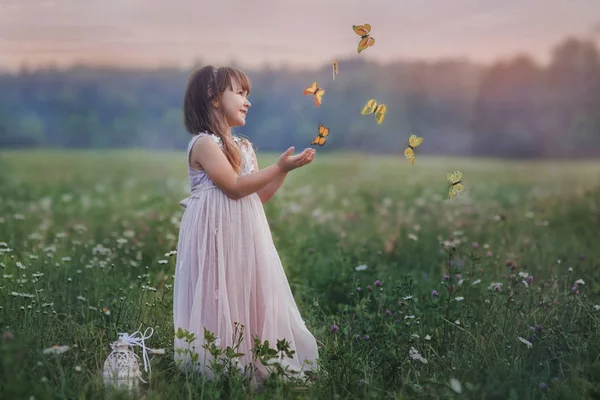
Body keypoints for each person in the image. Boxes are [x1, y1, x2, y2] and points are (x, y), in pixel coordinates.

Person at [173, 65, 319, 386]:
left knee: (246, 291)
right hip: (213, 234)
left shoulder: (245, 147)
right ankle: (218, 364)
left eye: (247, 94)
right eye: (239, 93)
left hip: (243, 234)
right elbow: (234, 186)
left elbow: (258, 195)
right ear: (213, 98)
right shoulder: (204, 144)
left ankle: (254, 361)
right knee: (218, 292)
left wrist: (282, 171)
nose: (247, 101)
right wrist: (276, 166)